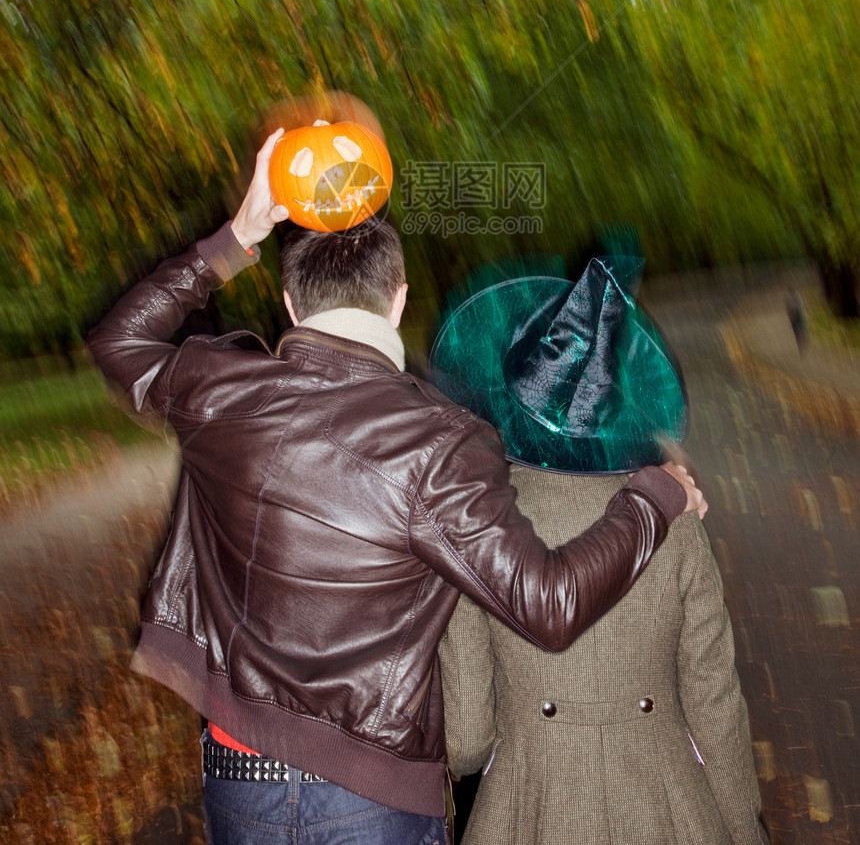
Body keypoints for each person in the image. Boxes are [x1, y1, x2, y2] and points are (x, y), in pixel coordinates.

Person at [88, 130, 705, 845]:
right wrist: (654, 497)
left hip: (238, 783)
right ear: (399, 300)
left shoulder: (216, 391)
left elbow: (118, 342)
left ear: (290, 303)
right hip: (372, 802)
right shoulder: (443, 443)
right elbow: (550, 602)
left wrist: (238, 234)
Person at [431, 257, 768, 845]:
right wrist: (744, 827)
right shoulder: (676, 517)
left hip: (529, 811)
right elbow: (714, 705)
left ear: (510, 400)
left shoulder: (481, 526)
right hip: (665, 811)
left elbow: (465, 738)